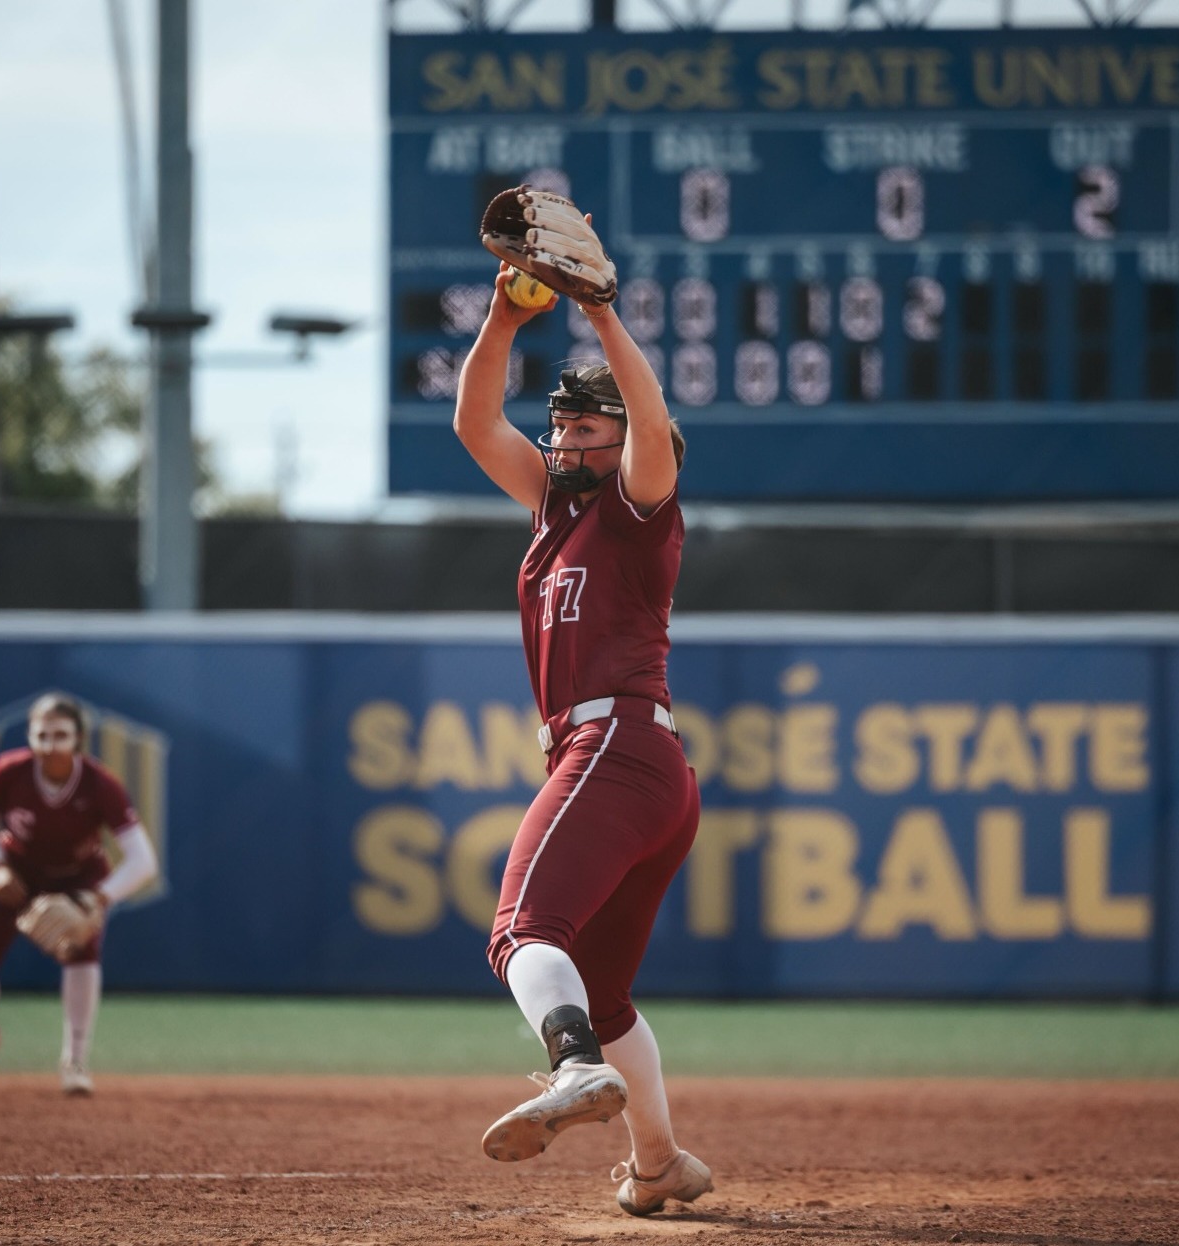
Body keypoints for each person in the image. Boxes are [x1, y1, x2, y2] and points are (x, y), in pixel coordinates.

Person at [451, 255, 713, 1218]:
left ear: (628, 438)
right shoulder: (555, 508)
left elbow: (646, 423)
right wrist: (504, 321)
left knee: (522, 932)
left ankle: (570, 1071)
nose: (562, 436)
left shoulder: (641, 508)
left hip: (615, 748)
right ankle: (660, 1164)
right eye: (560, 421)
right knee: (603, 992)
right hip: (639, 765)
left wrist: (603, 316)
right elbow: (475, 422)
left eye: (582, 425)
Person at [0, 692, 159, 1096]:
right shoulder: (11, 771)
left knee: (82, 955)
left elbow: (143, 860)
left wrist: (96, 899)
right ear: (29, 737)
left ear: (78, 740)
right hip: (17, 873)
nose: (49, 745)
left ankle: (74, 1060)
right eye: (41, 735)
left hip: (78, 878)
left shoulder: (99, 785)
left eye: (60, 735)